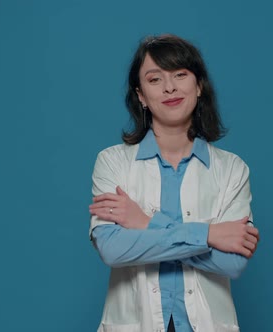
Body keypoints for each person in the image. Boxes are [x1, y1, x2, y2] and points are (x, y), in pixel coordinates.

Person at [88, 34, 260, 332]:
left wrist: (144, 224)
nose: (169, 87)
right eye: (155, 79)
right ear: (140, 95)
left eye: (180, 75)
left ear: (199, 85)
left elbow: (233, 263)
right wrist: (209, 234)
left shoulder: (232, 169)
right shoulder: (113, 162)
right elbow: (113, 249)